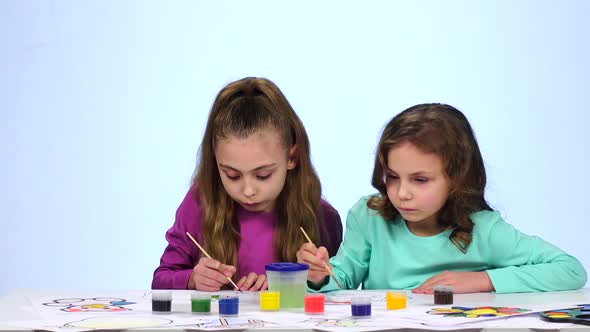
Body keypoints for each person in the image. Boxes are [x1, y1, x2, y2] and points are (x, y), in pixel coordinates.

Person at [297, 103, 587, 293]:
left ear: (456, 178)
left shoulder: (483, 229)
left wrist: (481, 280)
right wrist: (318, 274)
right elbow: (342, 278)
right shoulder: (369, 215)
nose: (402, 193)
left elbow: (570, 270)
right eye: (393, 177)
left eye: (420, 180)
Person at [152, 77, 342, 291]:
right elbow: (161, 279)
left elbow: (336, 292)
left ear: (292, 158)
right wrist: (192, 279)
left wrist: (306, 280)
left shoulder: (321, 215)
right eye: (232, 175)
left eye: (263, 175)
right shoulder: (201, 201)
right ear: (215, 161)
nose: (248, 191)